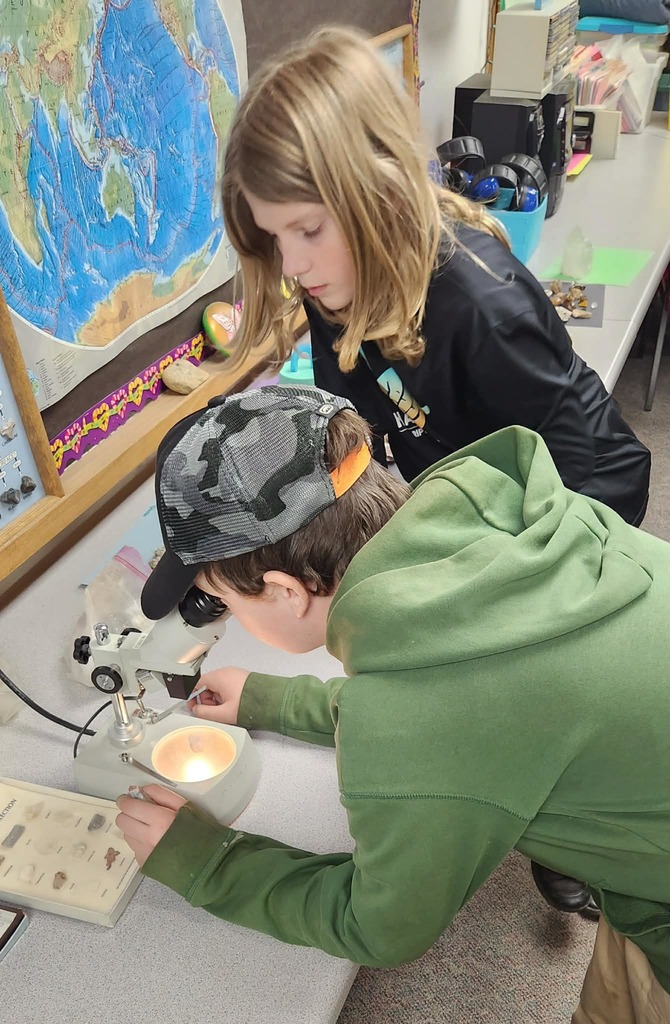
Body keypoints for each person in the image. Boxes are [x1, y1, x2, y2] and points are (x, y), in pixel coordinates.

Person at [219, 25, 651, 914]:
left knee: (520, 696)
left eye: (307, 229)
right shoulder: (333, 282)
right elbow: (372, 420)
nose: (293, 265)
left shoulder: (480, 309)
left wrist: (474, 623)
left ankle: (567, 826)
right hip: (458, 479)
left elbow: (569, 490)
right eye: (273, 238)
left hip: (573, 501)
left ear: (373, 188)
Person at [116, 384, 669, 1022]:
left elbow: (383, 925)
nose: (226, 618)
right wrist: (275, 700)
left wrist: (205, 861)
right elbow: (483, 701)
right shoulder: (501, 528)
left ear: (284, 590)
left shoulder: (424, 713)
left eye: (223, 602)